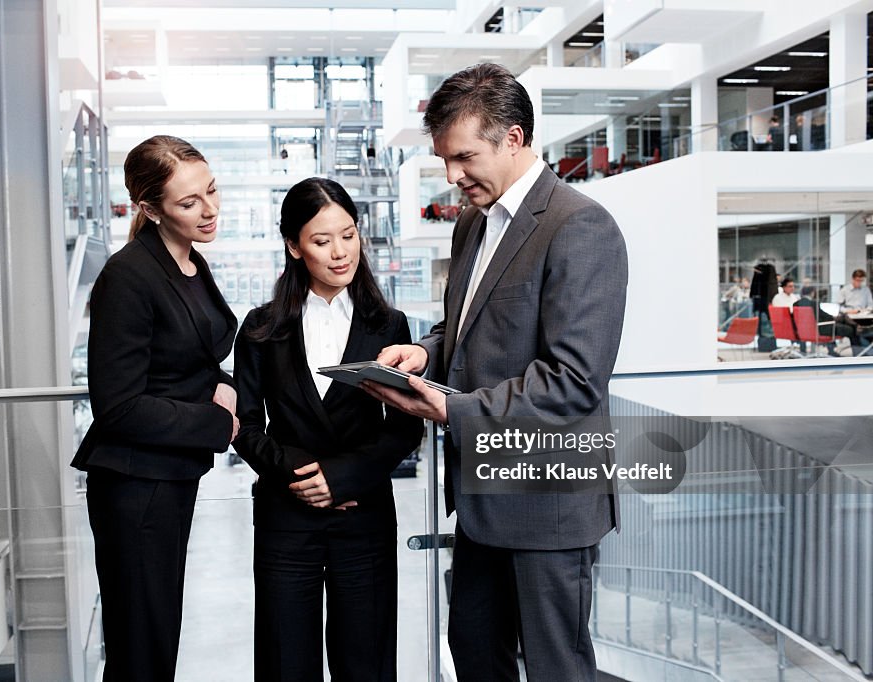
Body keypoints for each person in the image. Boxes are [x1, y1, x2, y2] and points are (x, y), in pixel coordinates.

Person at [365, 63, 628, 681]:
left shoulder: (580, 227)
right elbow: (474, 323)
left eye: (464, 157)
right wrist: (428, 351)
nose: (453, 176)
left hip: (547, 502)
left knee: (554, 667)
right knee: (477, 655)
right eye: (445, 160)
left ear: (513, 138)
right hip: (483, 495)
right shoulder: (472, 224)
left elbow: (574, 379)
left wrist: (453, 409)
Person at [233, 177, 423, 682]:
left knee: (366, 664)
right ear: (294, 246)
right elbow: (246, 426)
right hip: (285, 519)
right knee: (284, 663)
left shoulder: (390, 325)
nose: (340, 253)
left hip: (363, 517)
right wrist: (300, 477)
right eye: (322, 241)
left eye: (349, 234)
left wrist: (339, 478)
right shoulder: (260, 327)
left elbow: (404, 430)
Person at [70, 135, 238, 682]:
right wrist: (219, 422)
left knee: (157, 633)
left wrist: (225, 383)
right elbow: (118, 406)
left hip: (168, 476)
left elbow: (190, 354)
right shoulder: (128, 275)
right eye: (189, 203)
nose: (208, 209)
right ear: (149, 208)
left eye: (211, 191)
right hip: (135, 484)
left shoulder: (189, 261)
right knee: (142, 643)